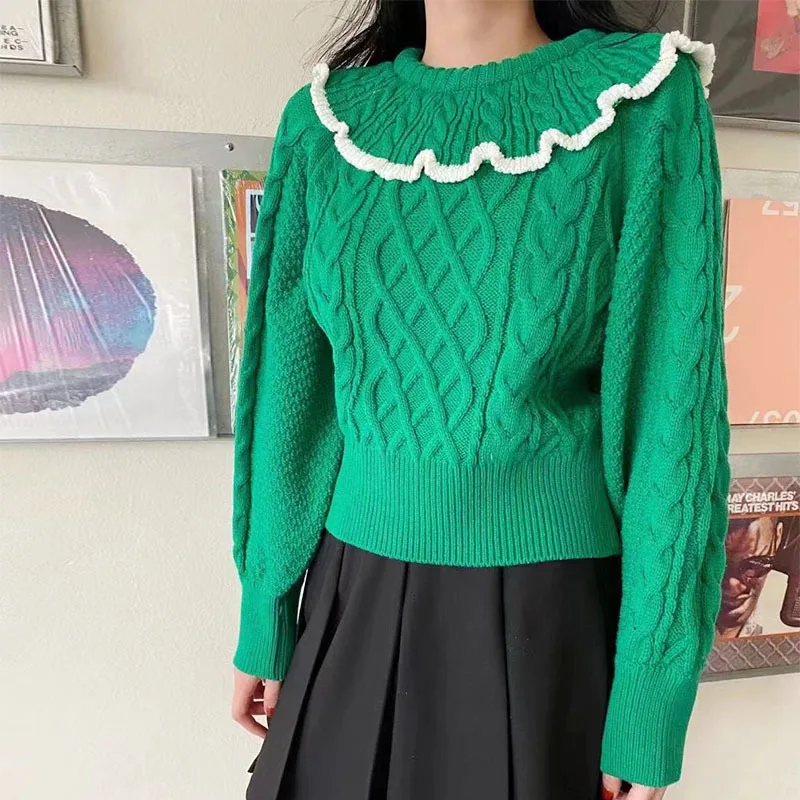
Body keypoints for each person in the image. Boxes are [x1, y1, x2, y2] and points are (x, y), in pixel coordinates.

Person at [229, 2, 732, 799]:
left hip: (547, 614)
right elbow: (290, 397)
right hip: (348, 599)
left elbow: (671, 415)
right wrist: (267, 605)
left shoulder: (643, 102)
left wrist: (651, 692)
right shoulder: (323, 126)